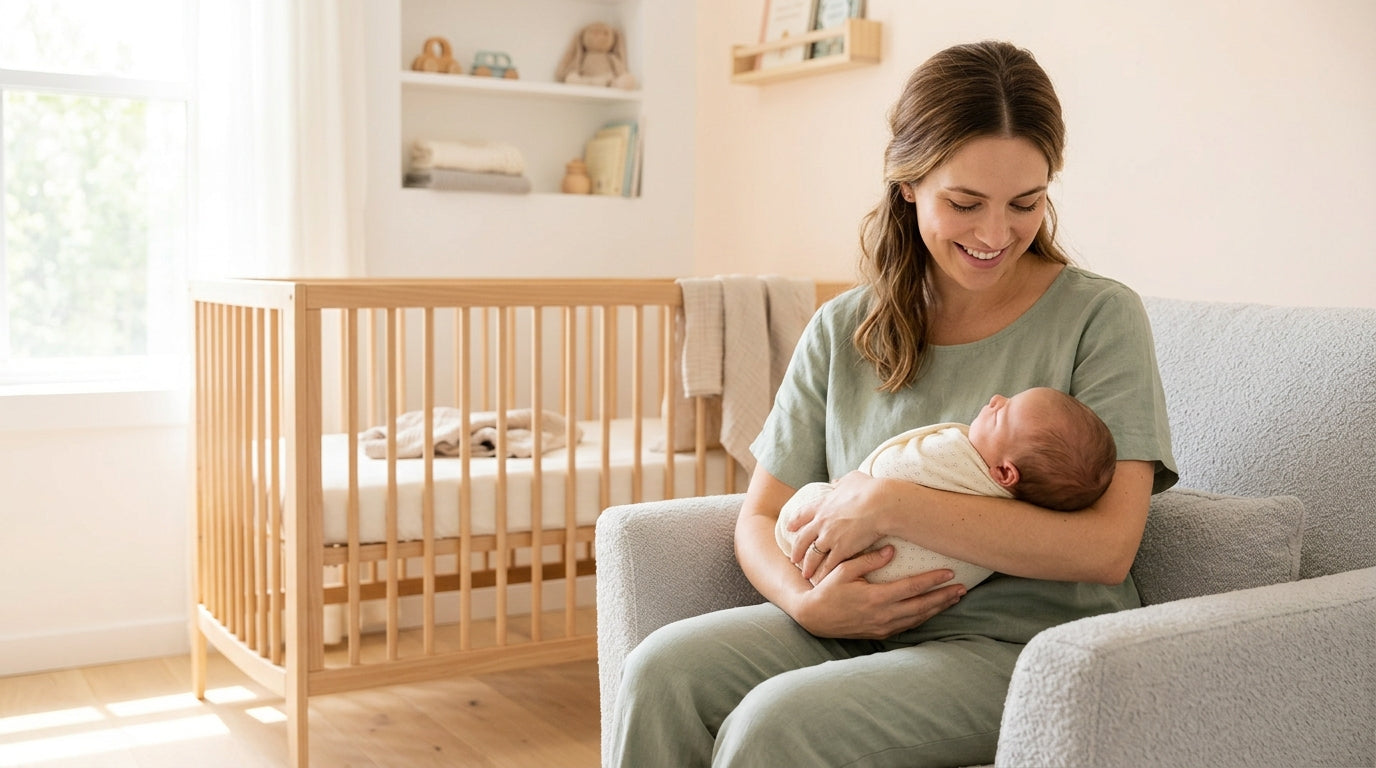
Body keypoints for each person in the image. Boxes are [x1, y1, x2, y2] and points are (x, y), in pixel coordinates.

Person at [608, 40, 1177, 768]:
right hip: (848, 620)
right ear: (908, 185)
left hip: (1024, 646)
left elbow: (1107, 547)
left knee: (778, 726)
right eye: (964, 203)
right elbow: (758, 515)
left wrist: (891, 505)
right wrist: (805, 602)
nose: (995, 234)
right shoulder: (843, 328)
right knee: (660, 673)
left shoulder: (1100, 317)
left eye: (1025, 203)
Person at [776, 386, 1118, 588]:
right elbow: (756, 514)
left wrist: (864, 490)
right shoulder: (1015, 513)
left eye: (1003, 413)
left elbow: (889, 467)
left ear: (1004, 473)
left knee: (808, 503)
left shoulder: (958, 460)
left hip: (874, 569)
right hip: (847, 594)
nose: (997, 399)